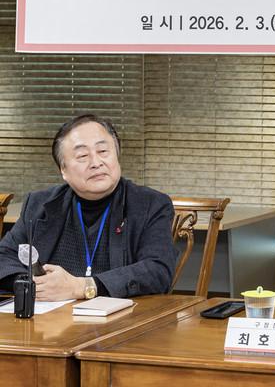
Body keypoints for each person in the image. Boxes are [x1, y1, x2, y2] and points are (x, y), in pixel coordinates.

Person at [0, 114, 177, 300]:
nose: (96, 163)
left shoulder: (149, 204)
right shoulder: (39, 204)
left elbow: (158, 271)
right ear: (63, 170)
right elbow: (3, 256)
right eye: (83, 156)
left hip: (122, 315)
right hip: (52, 315)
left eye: (103, 151)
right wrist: (35, 285)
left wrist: (81, 287)